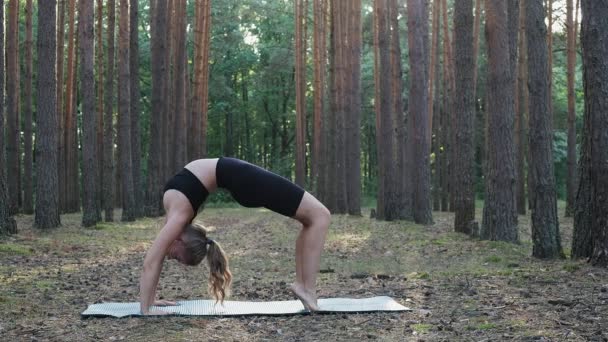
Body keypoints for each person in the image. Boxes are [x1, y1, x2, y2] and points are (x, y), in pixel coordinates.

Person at [139, 157, 331, 315]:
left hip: (241, 178)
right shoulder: (177, 215)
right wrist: (151, 300)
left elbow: (151, 261)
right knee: (317, 217)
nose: (172, 257)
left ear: (181, 240)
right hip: (239, 179)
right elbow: (157, 259)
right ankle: (304, 287)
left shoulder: (178, 218)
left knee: (319, 216)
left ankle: (304, 287)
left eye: (177, 257)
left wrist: (147, 308)